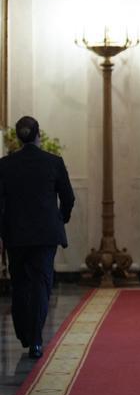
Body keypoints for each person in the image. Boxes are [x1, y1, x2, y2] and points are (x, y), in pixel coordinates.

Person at [0, 116, 75, 359]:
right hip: (45, 235)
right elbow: (68, 197)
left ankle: (24, 333)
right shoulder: (53, 162)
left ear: (18, 137)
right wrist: (60, 218)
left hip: (16, 234)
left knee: (20, 283)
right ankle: (36, 340)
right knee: (41, 284)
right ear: (38, 134)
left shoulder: (5, 165)